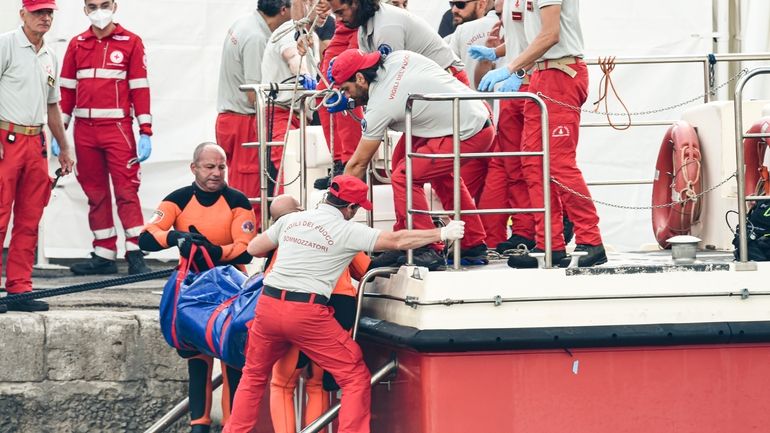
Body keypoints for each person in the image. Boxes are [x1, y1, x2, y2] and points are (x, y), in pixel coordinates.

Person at [223, 174, 465, 433]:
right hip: (306, 311)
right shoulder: (347, 231)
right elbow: (397, 240)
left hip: (268, 305)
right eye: (357, 208)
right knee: (354, 377)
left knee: (254, 375)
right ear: (351, 208)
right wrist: (441, 232)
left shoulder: (292, 219)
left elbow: (254, 249)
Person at [332, 49, 494, 270]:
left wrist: (333, 211)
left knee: (405, 175)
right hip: (470, 112)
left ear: (360, 78)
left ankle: (424, 248)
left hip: (469, 130)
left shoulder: (380, 106)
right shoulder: (397, 57)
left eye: (346, 90)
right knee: (411, 163)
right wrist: (353, 103)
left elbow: (358, 163)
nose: (347, 96)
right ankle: (468, 243)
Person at [476, 0, 606, 268]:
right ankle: (549, 244)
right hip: (541, 75)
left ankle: (591, 240)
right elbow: (532, 38)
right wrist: (515, 66)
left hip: (560, 73)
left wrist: (509, 68)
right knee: (533, 164)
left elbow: (550, 34)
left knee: (558, 163)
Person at [138, 143, 257, 433]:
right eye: (209, 167)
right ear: (194, 168)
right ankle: (199, 427)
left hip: (229, 289)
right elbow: (146, 238)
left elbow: (246, 251)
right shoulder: (177, 199)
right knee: (197, 361)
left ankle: (232, 427)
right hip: (192, 290)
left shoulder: (237, 201)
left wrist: (215, 251)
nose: (217, 173)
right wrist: (174, 238)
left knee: (232, 361)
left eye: (221, 167)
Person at [58, 0, 152, 276]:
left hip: (117, 129)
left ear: (114, 5)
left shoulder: (131, 42)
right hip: (84, 131)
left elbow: (140, 88)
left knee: (126, 191)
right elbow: (65, 91)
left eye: (104, 4)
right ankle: (103, 254)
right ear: (85, 10)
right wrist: (60, 132)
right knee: (95, 193)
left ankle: (135, 252)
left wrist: (145, 130)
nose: (99, 10)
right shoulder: (76, 44)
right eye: (92, 5)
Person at [266, 194, 370, 433]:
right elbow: (364, 270)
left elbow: (269, 280)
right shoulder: (339, 230)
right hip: (339, 309)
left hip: (296, 308)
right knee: (317, 384)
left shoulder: (287, 236)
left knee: (282, 384)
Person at [0, 0, 74, 314]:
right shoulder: (6, 44)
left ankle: (19, 288)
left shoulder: (50, 56)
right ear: (23, 14)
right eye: (38, 12)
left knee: (30, 219)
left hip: (35, 142)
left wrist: (65, 146)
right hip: (7, 137)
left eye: (48, 13)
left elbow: (52, 105)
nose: (44, 18)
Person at [215, 0, 293, 224]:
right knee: (251, 195)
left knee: (241, 187)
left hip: (230, 118)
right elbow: (254, 94)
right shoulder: (257, 38)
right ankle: (249, 244)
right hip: (245, 119)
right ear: (283, 10)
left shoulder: (244, 23)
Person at [444, 0, 498, 90]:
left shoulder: (461, 31)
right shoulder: (449, 38)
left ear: (481, 4)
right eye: (451, 4)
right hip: (470, 99)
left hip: (469, 100)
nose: (454, 10)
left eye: (460, 4)